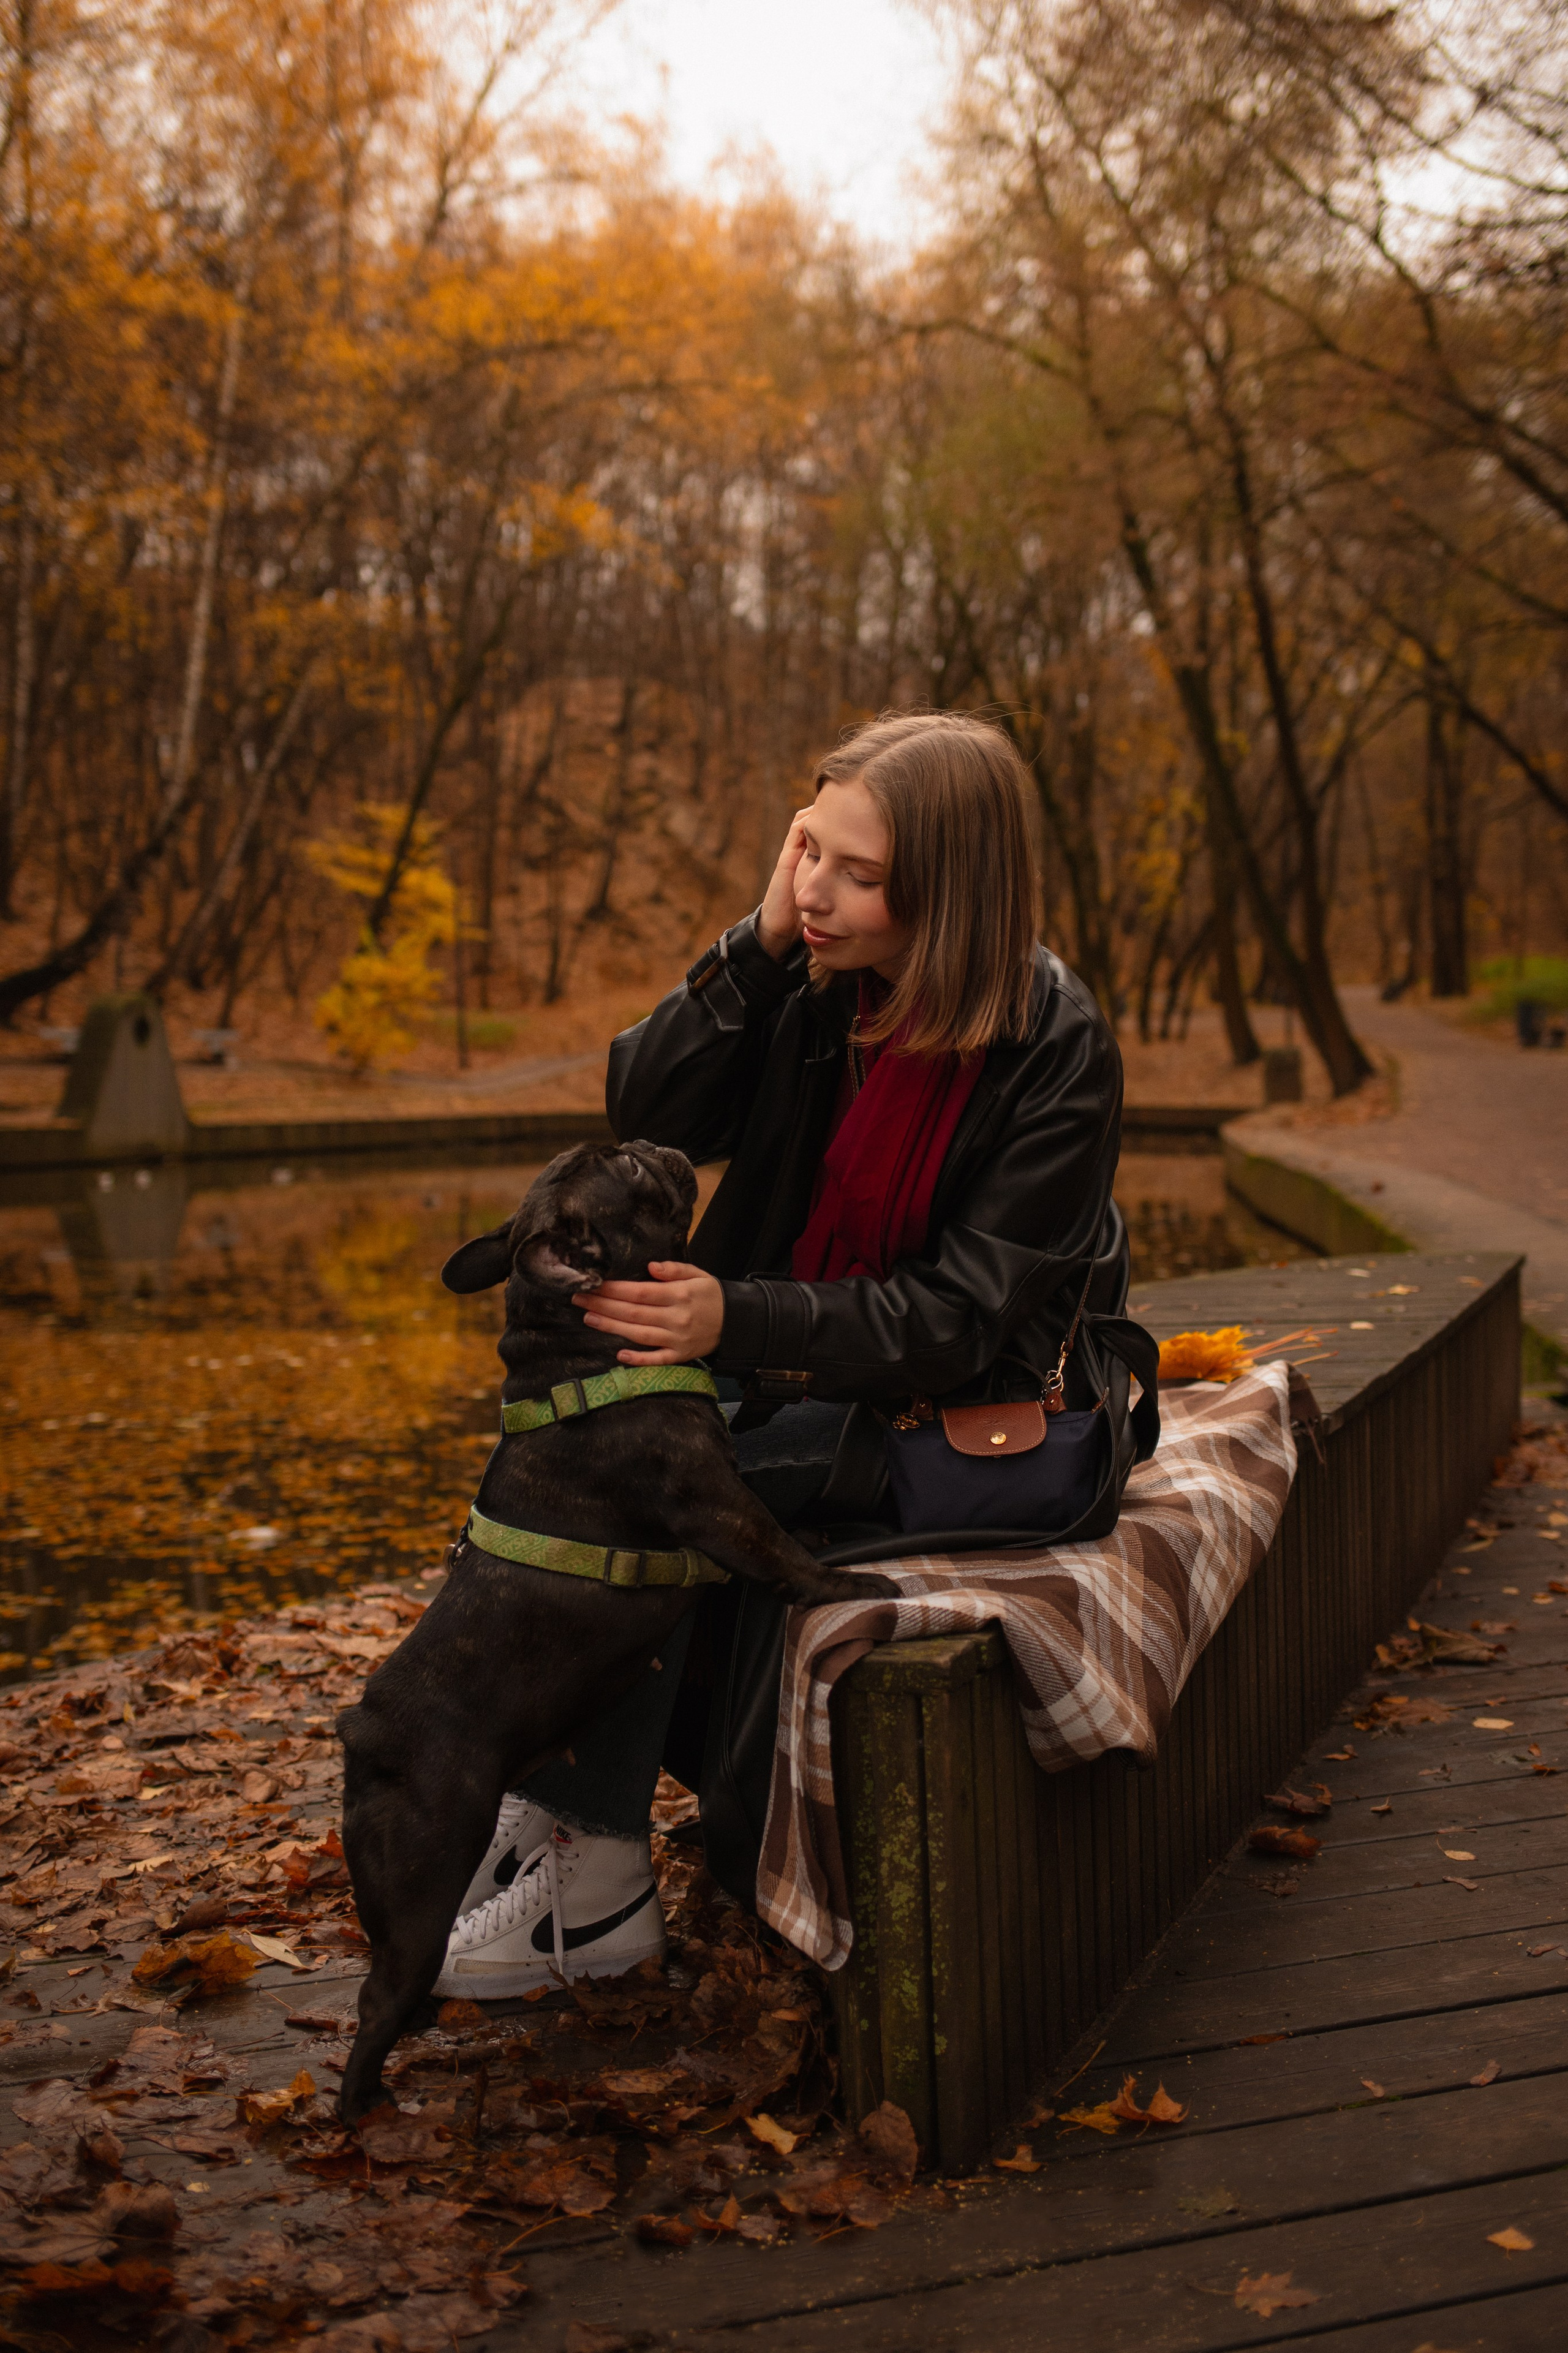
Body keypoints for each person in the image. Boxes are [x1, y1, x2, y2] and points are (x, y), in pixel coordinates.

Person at [435, 711, 1129, 1997]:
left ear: (948, 891)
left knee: (663, 1487)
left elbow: (961, 1319)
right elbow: (644, 1107)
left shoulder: (1055, 1048)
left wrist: (732, 1319)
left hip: (955, 1413)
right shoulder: (813, 981)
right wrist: (751, 949)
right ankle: (544, 1810)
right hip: (803, 1368)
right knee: (570, 1444)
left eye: (858, 875)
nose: (815, 890)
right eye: (809, 847)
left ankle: (591, 1888)